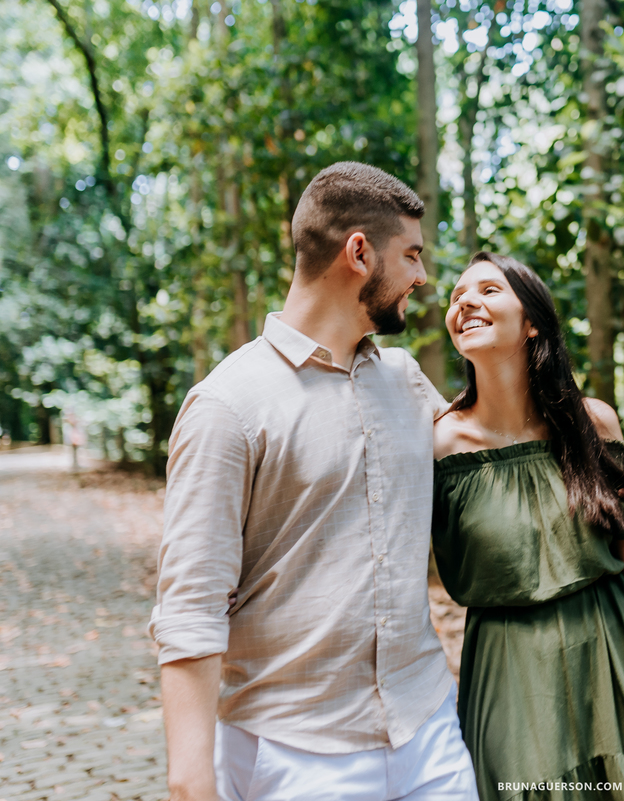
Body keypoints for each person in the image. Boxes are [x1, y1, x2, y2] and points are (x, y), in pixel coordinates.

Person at [150, 162, 478, 801]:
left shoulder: (405, 379)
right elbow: (191, 608)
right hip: (296, 756)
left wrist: (605, 465)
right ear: (359, 252)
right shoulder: (227, 406)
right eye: (411, 254)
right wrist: (192, 783)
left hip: (428, 727)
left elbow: (493, 457)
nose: (422, 275)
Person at [431, 252, 624, 800]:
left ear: (532, 321)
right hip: (511, 677)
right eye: (457, 295)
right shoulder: (436, 444)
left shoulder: (592, 423)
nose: (465, 301)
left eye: (490, 290)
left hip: (615, 659)